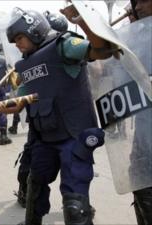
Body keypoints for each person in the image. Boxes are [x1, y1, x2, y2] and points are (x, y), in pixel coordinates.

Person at [6, 6, 114, 224]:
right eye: (14, 40)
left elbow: (101, 50)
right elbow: (22, 100)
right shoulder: (25, 65)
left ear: (34, 31)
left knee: (74, 204)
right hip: (44, 139)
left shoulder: (63, 46)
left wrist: (82, 21)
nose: (17, 44)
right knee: (34, 187)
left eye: (19, 37)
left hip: (73, 137)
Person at [13, 10, 70, 208]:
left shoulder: (69, 53)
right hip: (42, 124)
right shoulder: (32, 60)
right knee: (33, 163)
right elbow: (20, 94)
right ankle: (25, 194)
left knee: (74, 173)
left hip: (67, 125)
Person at [129, 0, 152, 223]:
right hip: (144, 130)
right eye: (135, 2)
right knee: (140, 182)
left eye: (144, 0)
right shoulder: (140, 37)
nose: (138, 6)